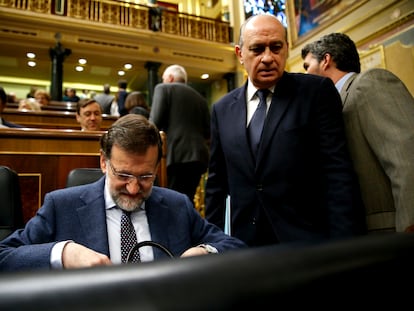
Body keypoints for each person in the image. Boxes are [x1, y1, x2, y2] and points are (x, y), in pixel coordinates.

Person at [0, 114, 246, 271]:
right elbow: (5, 256)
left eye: (146, 176)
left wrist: (206, 251)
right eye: (124, 175)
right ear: (104, 163)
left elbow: (234, 246)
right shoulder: (61, 206)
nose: (133, 188)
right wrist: (63, 253)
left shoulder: (177, 205)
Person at [205, 14, 366, 247]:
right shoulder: (222, 109)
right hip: (247, 247)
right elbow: (217, 186)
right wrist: (213, 244)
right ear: (240, 54)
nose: (268, 57)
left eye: (276, 47)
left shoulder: (315, 92)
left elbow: (337, 172)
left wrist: (345, 244)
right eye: (257, 49)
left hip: (308, 241)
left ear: (287, 48)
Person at [301, 32, 414, 233]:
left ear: (326, 60)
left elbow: (407, 159)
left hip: (391, 235)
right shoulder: (330, 106)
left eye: (307, 66)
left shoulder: (370, 83)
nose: (305, 74)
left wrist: (409, 230)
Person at [150, 64, 211, 202]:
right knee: (187, 200)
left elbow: (154, 123)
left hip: (174, 155)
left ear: (170, 78)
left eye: (163, 78)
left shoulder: (163, 88)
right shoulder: (200, 98)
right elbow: (208, 132)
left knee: (171, 201)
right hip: (199, 158)